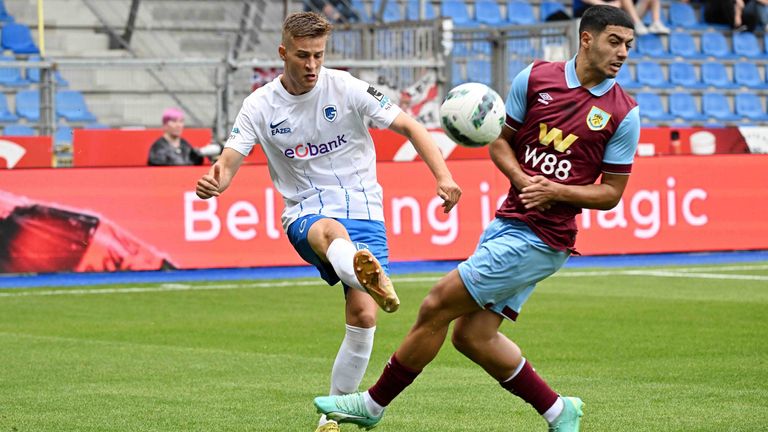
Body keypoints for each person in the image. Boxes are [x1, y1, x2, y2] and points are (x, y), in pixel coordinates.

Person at [314, 5, 640, 431]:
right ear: (587, 39)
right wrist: (524, 180)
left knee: (435, 305)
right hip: (508, 221)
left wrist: (556, 191)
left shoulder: (622, 112)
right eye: (614, 42)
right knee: (472, 336)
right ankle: (561, 412)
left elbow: (612, 192)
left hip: (543, 238)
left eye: (628, 46)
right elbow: (500, 143)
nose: (622, 53)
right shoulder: (535, 78)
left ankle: (373, 405)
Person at [194, 11, 461, 432]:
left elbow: (410, 125)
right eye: (302, 56)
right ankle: (362, 266)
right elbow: (227, 164)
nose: (312, 64)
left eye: (319, 55)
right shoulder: (259, 105)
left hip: (365, 209)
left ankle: (331, 416)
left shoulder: (348, 87)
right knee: (330, 231)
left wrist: (444, 176)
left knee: (364, 317)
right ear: (283, 53)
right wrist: (215, 182)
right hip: (305, 209)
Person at [573, 0, 669, 34]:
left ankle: (656, 23)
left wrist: (616, 4)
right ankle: (637, 23)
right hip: (591, 15)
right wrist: (605, 4)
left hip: (618, 15)